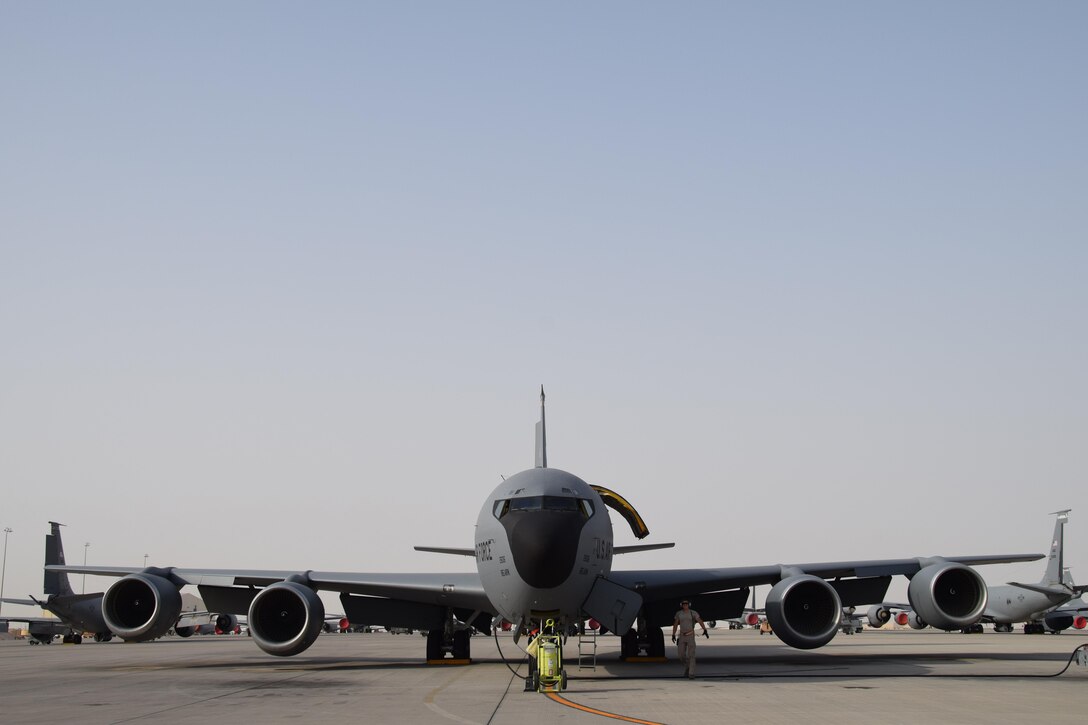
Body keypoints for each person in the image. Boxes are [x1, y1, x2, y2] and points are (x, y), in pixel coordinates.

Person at [671, 599, 709, 679]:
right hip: (682, 635)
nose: (685, 605)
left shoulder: (693, 613)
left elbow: (700, 620)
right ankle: (688, 666)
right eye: (684, 604)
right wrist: (673, 634)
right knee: (681, 654)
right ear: (681, 605)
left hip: (690, 635)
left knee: (691, 655)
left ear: (689, 605)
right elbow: (675, 624)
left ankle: (691, 674)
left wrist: (705, 629)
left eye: (686, 604)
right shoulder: (679, 613)